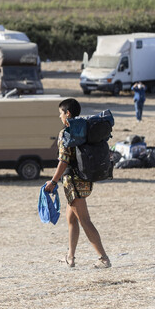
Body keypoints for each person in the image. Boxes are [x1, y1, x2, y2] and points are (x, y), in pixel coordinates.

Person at [44, 98, 110, 269]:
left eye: (60, 113)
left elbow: (63, 161)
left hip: (72, 182)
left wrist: (53, 181)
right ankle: (70, 257)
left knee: (85, 220)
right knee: (71, 218)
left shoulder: (66, 133)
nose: (59, 117)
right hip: (85, 180)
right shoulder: (85, 129)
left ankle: (103, 258)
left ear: (68, 114)